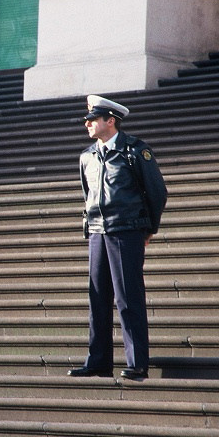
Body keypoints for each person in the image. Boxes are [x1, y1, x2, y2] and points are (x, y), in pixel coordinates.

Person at [68, 95, 167, 380]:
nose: (87, 123)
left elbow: (157, 192)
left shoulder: (135, 151)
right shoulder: (87, 156)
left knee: (128, 298)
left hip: (127, 231)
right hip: (98, 232)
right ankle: (98, 361)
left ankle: (136, 363)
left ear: (110, 121)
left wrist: (148, 229)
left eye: (93, 119)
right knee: (97, 298)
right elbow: (88, 196)